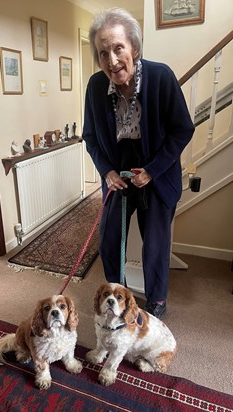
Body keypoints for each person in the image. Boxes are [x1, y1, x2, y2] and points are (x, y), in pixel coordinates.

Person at [82, 8, 194, 319]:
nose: (112, 60)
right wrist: (106, 172)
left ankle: (156, 302)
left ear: (133, 46)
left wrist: (154, 170)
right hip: (118, 171)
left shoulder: (161, 77)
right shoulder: (95, 87)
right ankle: (116, 296)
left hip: (157, 171)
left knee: (155, 243)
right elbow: (90, 136)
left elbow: (182, 128)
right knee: (109, 237)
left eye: (118, 48)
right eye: (103, 53)